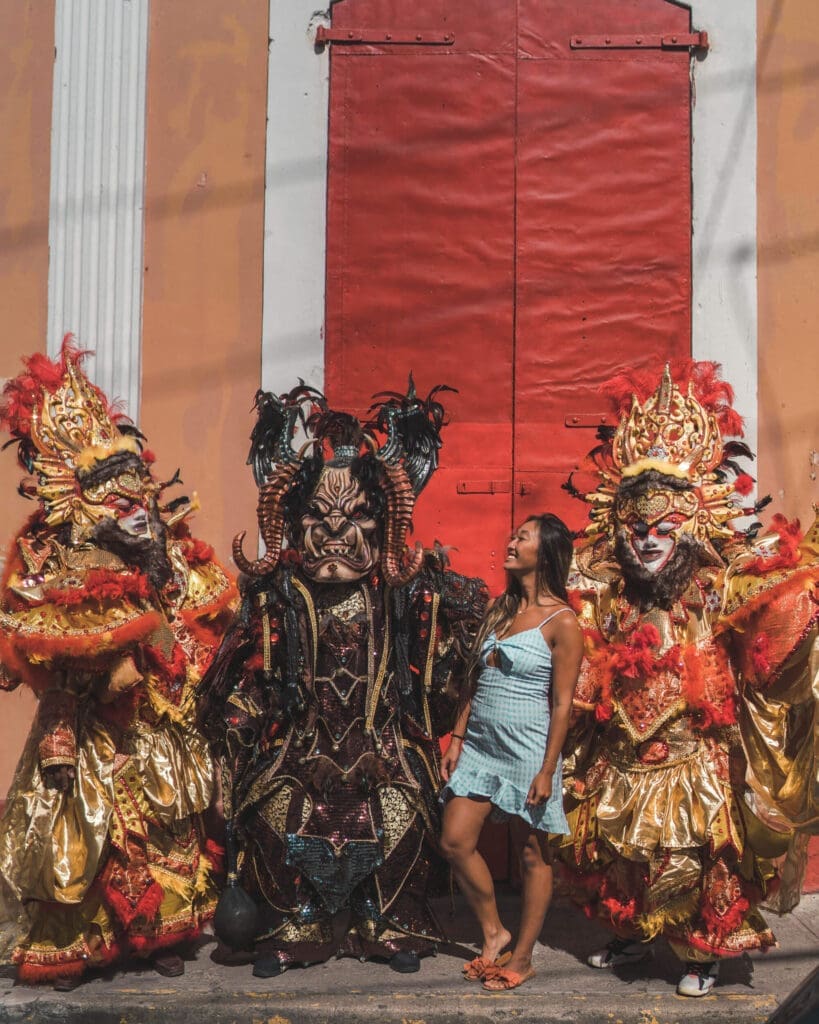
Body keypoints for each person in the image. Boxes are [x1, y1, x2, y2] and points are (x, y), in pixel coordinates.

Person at [199, 380, 487, 978]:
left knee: (400, 808)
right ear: (294, 525)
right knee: (278, 807)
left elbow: (454, 649)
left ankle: (385, 920)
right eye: (317, 518)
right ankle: (298, 918)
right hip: (303, 745)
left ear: (383, 528)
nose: (334, 532)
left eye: (354, 517)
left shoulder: (398, 596)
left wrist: (447, 612)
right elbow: (250, 673)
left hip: (381, 744)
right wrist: (239, 720)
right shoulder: (281, 597)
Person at [560, 362, 818, 997]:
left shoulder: (714, 580)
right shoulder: (611, 586)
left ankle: (702, 955)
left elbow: (773, 620)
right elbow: (585, 648)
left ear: (693, 525)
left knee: (694, 859)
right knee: (619, 854)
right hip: (621, 746)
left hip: (694, 751)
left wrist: (791, 583)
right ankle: (633, 934)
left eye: (664, 530)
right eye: (636, 530)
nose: (648, 542)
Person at [0, 339, 237, 989]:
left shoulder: (157, 539)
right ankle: (82, 943)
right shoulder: (42, 545)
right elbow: (22, 620)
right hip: (82, 714)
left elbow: (192, 610)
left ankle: (159, 935)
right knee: (81, 830)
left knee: (162, 824)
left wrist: (168, 650)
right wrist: (46, 658)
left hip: (155, 712)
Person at [439, 512, 584, 993]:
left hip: (528, 750)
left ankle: (522, 956)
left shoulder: (563, 622)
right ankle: (493, 932)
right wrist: (458, 739)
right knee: (456, 840)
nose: (511, 541)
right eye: (514, 534)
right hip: (480, 745)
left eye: (522, 537)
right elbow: (474, 680)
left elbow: (562, 704)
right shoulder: (499, 609)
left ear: (544, 554)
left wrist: (548, 770)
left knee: (531, 855)